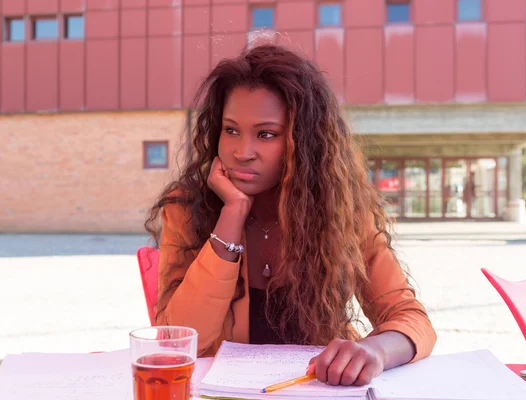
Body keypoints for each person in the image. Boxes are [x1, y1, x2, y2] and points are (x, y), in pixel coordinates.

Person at [145, 44, 436, 387]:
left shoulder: (341, 211)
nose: (243, 152)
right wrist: (232, 216)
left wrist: (376, 351)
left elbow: (409, 318)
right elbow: (180, 341)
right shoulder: (186, 208)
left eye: (266, 134)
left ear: (305, 141)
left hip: (318, 390)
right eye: (231, 130)